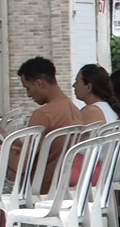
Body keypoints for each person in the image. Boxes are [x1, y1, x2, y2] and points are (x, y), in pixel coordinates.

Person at [18, 56, 83, 193]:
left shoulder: (43, 114)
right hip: (65, 186)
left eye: (28, 88)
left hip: (37, 188)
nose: (28, 95)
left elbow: (23, 165)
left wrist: (1, 148)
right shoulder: (74, 110)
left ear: (39, 83)